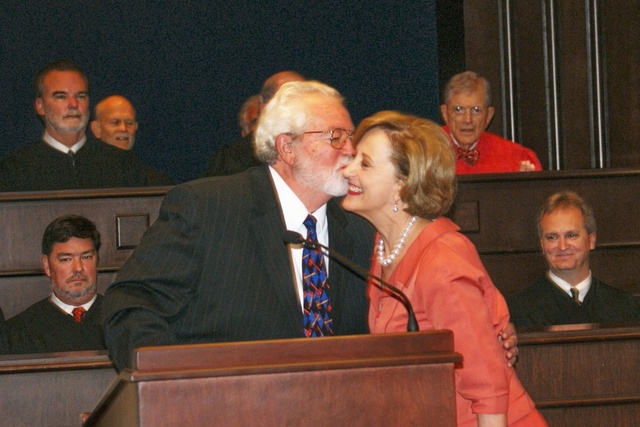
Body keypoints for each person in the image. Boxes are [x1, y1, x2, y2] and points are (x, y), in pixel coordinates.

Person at [103, 81, 519, 372]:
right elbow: (131, 307)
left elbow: (425, 297)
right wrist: (172, 383)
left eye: (351, 136)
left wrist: (488, 330)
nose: (350, 150)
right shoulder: (208, 207)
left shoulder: (362, 227)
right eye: (336, 136)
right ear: (287, 146)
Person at [342, 111, 546, 426]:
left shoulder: (442, 260)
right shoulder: (383, 246)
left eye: (364, 163)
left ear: (403, 183)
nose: (348, 170)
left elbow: (487, 388)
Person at [0, 61, 158, 192]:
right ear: (40, 106)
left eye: (80, 96)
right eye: (61, 96)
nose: (73, 104)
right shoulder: (14, 170)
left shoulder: (122, 164)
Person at [507, 191, 640, 327]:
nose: (562, 246)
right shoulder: (517, 310)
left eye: (571, 235)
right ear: (542, 244)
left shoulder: (625, 307)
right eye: (552, 237)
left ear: (591, 240)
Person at [7, 215, 106, 354]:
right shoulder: (16, 332)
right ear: (47, 265)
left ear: (97, 260)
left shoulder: (125, 320)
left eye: (86, 257)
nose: (78, 268)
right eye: (66, 259)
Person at [204, 71, 305, 177]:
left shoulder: (314, 144)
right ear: (266, 108)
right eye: (291, 100)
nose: (300, 108)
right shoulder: (235, 157)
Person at [440, 71, 543, 174]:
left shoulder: (517, 158)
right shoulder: (426, 152)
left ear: (489, 115)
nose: (468, 120)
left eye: (476, 110)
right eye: (458, 110)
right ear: (445, 113)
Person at [90, 94, 174, 185]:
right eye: (115, 122)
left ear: (136, 127)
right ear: (97, 128)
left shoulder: (155, 182)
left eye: (129, 123)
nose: (123, 128)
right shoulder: (84, 178)